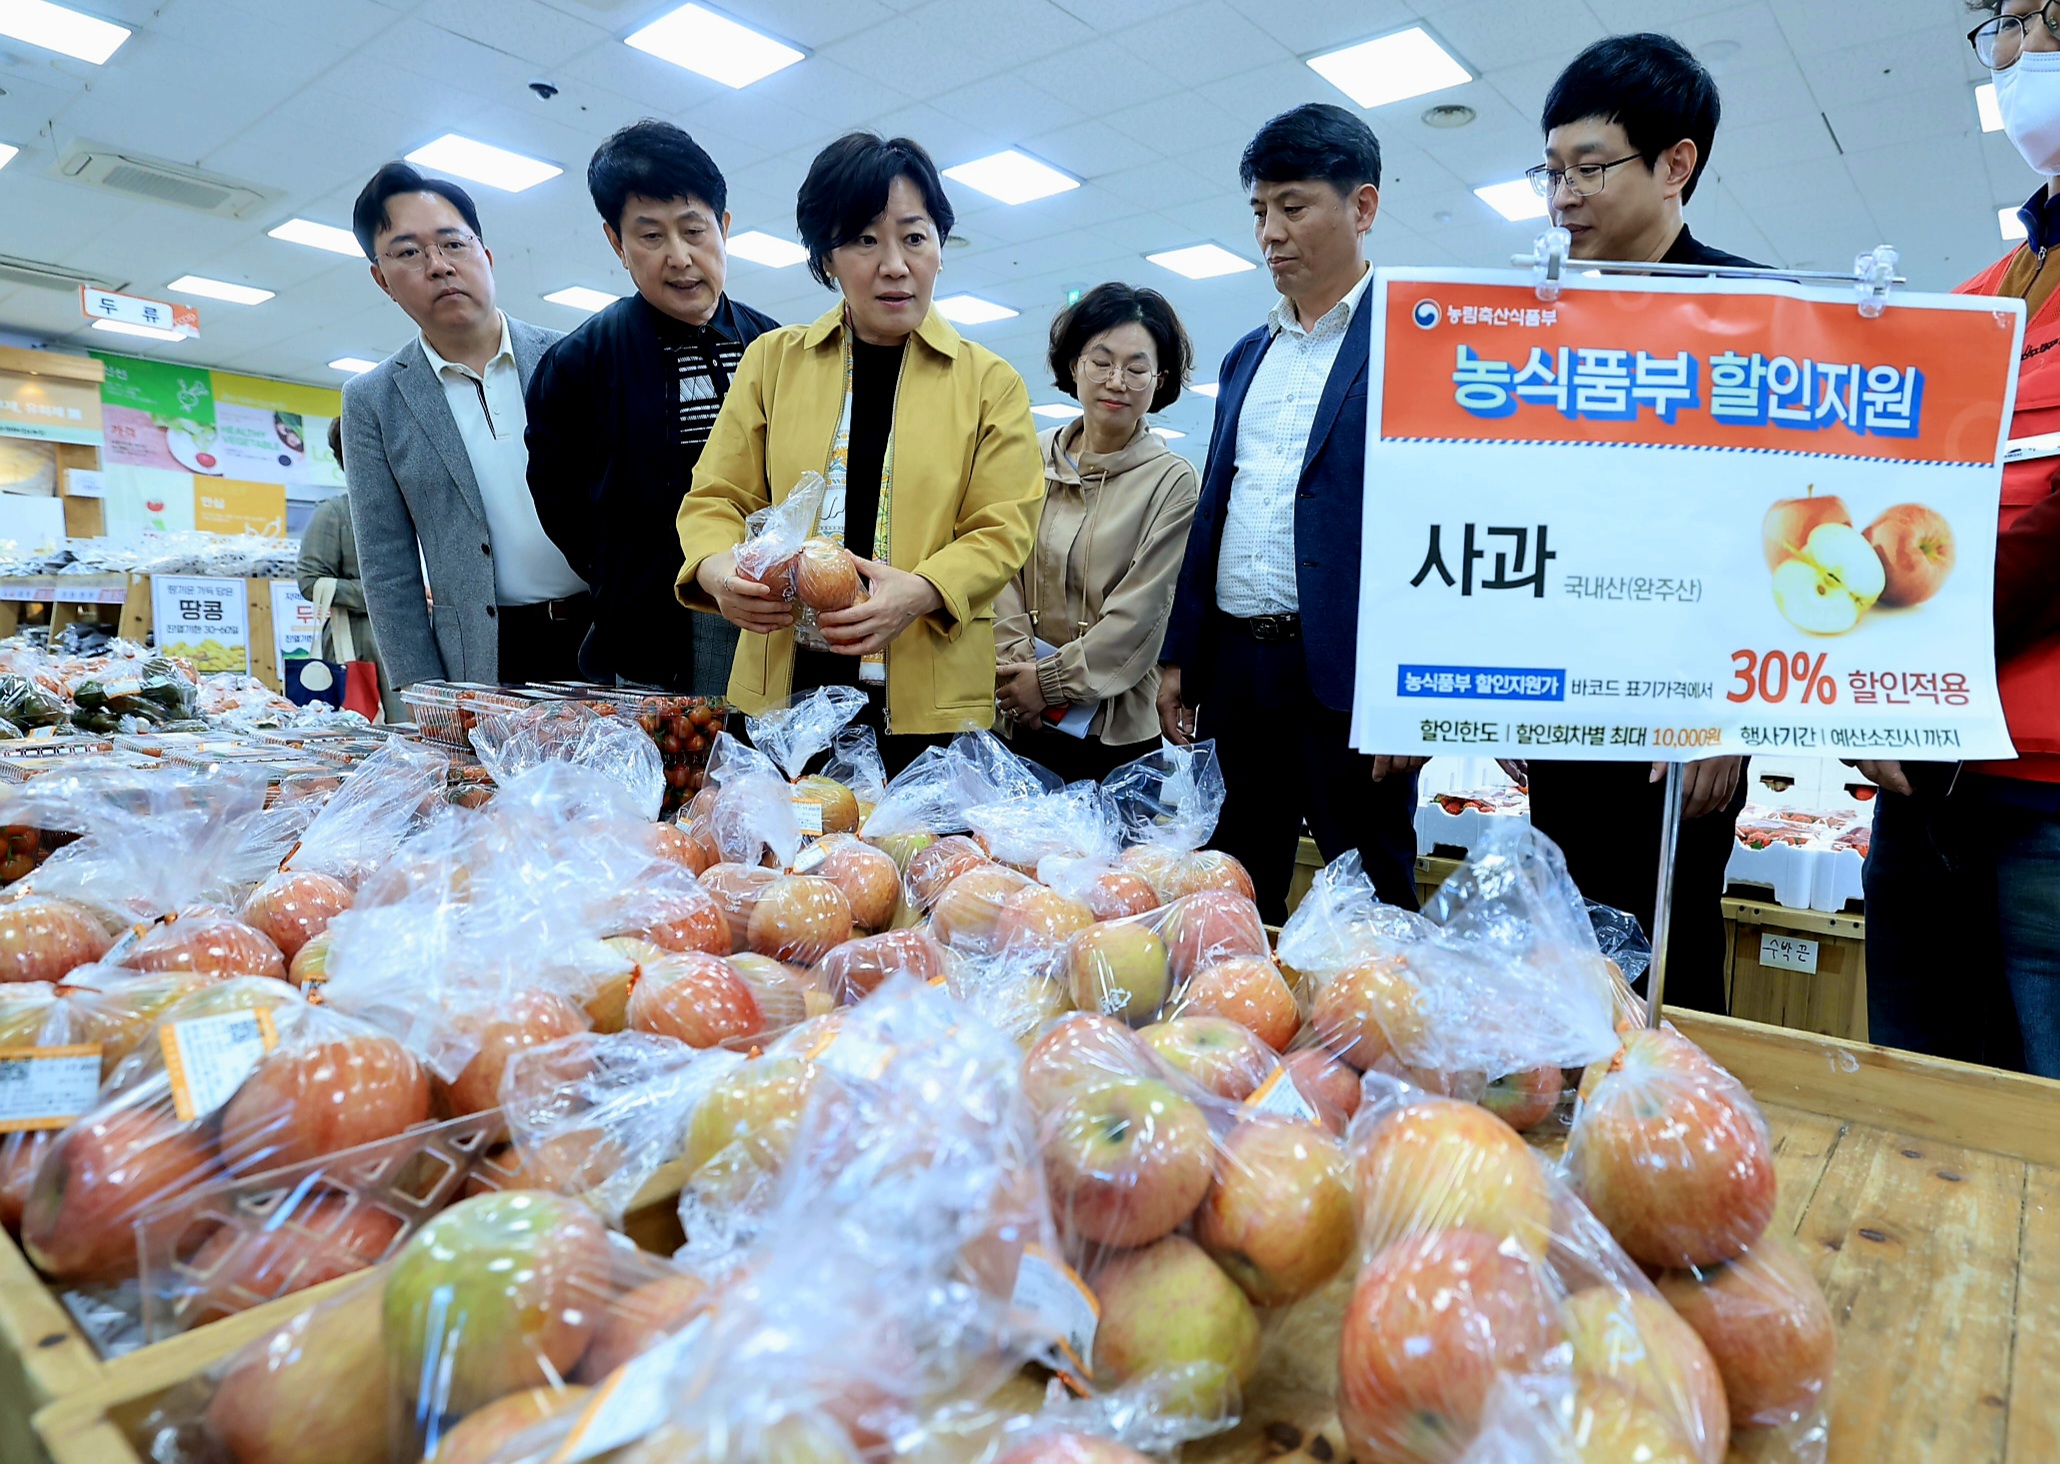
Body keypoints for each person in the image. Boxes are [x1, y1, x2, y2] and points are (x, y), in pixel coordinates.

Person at [1518, 33, 1764, 1015]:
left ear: (1675, 165)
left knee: (1668, 963)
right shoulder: (1533, 324)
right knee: (1563, 947)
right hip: (1566, 695)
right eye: (1549, 170)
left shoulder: (1748, 315)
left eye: (1587, 167)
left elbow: (1776, 532)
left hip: (1684, 716)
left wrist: (1727, 711)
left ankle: (1665, 1147)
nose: (1560, 193)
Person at [676, 133, 1043, 774]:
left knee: (920, 867)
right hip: (784, 683)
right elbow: (716, 497)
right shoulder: (773, 362)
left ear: (939, 248)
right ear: (827, 259)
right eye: (865, 241)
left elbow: (1003, 525)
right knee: (774, 866)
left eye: (915, 237)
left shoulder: (990, 382)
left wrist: (924, 590)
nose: (894, 264)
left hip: (926, 693)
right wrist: (714, 569)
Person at [1855, 0, 2060, 1075]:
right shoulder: (1985, 298)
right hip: (1930, 774)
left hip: (2041, 786)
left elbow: (2040, 518)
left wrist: (1876, 675)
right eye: (2002, 25)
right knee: (1913, 1096)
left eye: (2034, 19)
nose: (2014, 51)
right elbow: (1894, 501)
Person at [1156, 104, 1423, 924]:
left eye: (1294, 206)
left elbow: (1435, 527)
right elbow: (1217, 516)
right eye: (1259, 210)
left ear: (1363, 208)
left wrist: (1413, 697)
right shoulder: (1247, 355)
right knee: (1231, 893)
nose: (1270, 231)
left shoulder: (1421, 344)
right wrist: (1182, 659)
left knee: (1370, 902)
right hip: (1240, 673)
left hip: (1349, 681)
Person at [527, 120, 778, 694]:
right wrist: (627, 574)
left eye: (694, 230)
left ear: (725, 227)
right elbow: (559, 500)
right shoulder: (579, 363)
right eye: (650, 237)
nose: (680, 257)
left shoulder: (775, 350)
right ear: (616, 242)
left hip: (769, 625)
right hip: (646, 630)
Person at [341, 161, 587, 689]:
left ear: (486, 255)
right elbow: (387, 568)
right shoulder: (373, 400)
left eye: (453, 244)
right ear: (382, 279)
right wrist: (425, 694)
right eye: (408, 252)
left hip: (604, 632)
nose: (438, 265)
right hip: (486, 656)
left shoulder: (573, 358)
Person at [994, 284, 1199, 785]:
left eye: (1136, 368)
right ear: (1073, 365)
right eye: (1101, 361)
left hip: (1114, 739)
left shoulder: (1171, 481)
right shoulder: (1025, 455)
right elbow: (998, 568)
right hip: (1016, 717)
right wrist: (1021, 679)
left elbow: (1142, 614)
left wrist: (1050, 683)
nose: (1116, 381)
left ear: (1159, 379)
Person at [295, 420, 394, 720]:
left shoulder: (404, 507)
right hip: (355, 642)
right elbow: (310, 580)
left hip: (405, 635)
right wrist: (383, 595)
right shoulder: (334, 513)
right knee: (366, 731)